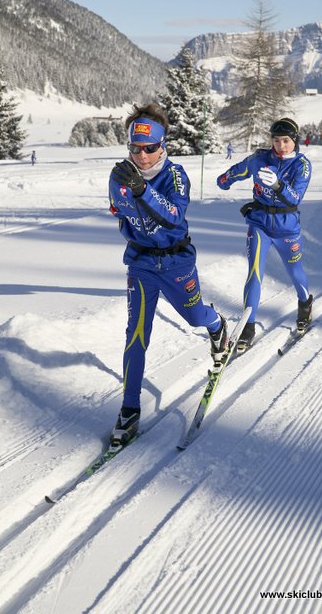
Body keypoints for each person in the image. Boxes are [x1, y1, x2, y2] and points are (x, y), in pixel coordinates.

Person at [108, 102, 228, 445]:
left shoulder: (175, 175)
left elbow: (174, 216)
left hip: (177, 263)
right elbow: (121, 213)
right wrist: (135, 208)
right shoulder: (119, 175)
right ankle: (129, 409)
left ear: (163, 146)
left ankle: (217, 325)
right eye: (135, 148)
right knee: (136, 336)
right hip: (142, 265)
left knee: (195, 316)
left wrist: (144, 192)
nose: (142, 156)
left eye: (150, 148)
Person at [216, 117, 313, 352]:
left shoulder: (302, 165)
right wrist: (226, 179)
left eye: (286, 141)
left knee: (295, 273)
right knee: (254, 273)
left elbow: (295, 197)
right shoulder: (261, 158)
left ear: (295, 141)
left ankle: (304, 303)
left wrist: (278, 185)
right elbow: (234, 174)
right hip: (259, 225)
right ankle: (248, 327)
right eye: (277, 141)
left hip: (287, 228)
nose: (281, 146)